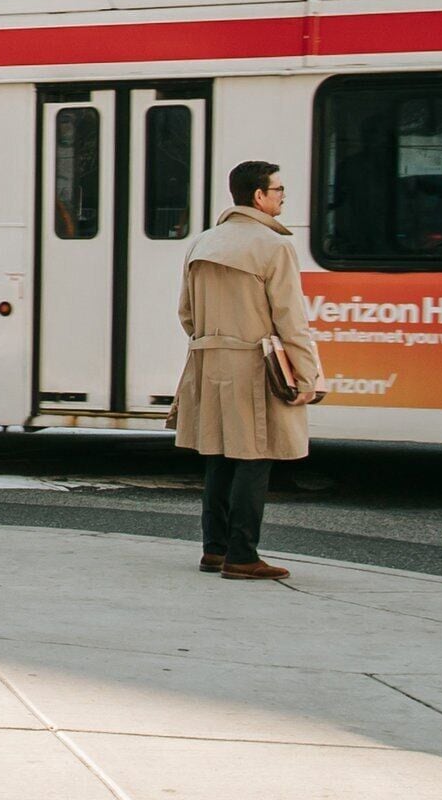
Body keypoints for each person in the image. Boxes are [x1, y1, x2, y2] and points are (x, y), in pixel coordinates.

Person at [176, 159, 323, 582]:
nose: (282, 197)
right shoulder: (274, 246)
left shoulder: (202, 243)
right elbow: (290, 319)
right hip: (253, 364)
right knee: (255, 456)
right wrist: (307, 376)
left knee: (219, 454)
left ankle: (214, 550)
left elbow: (185, 313)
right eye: (278, 190)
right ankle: (243, 555)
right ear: (258, 196)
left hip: (208, 362)